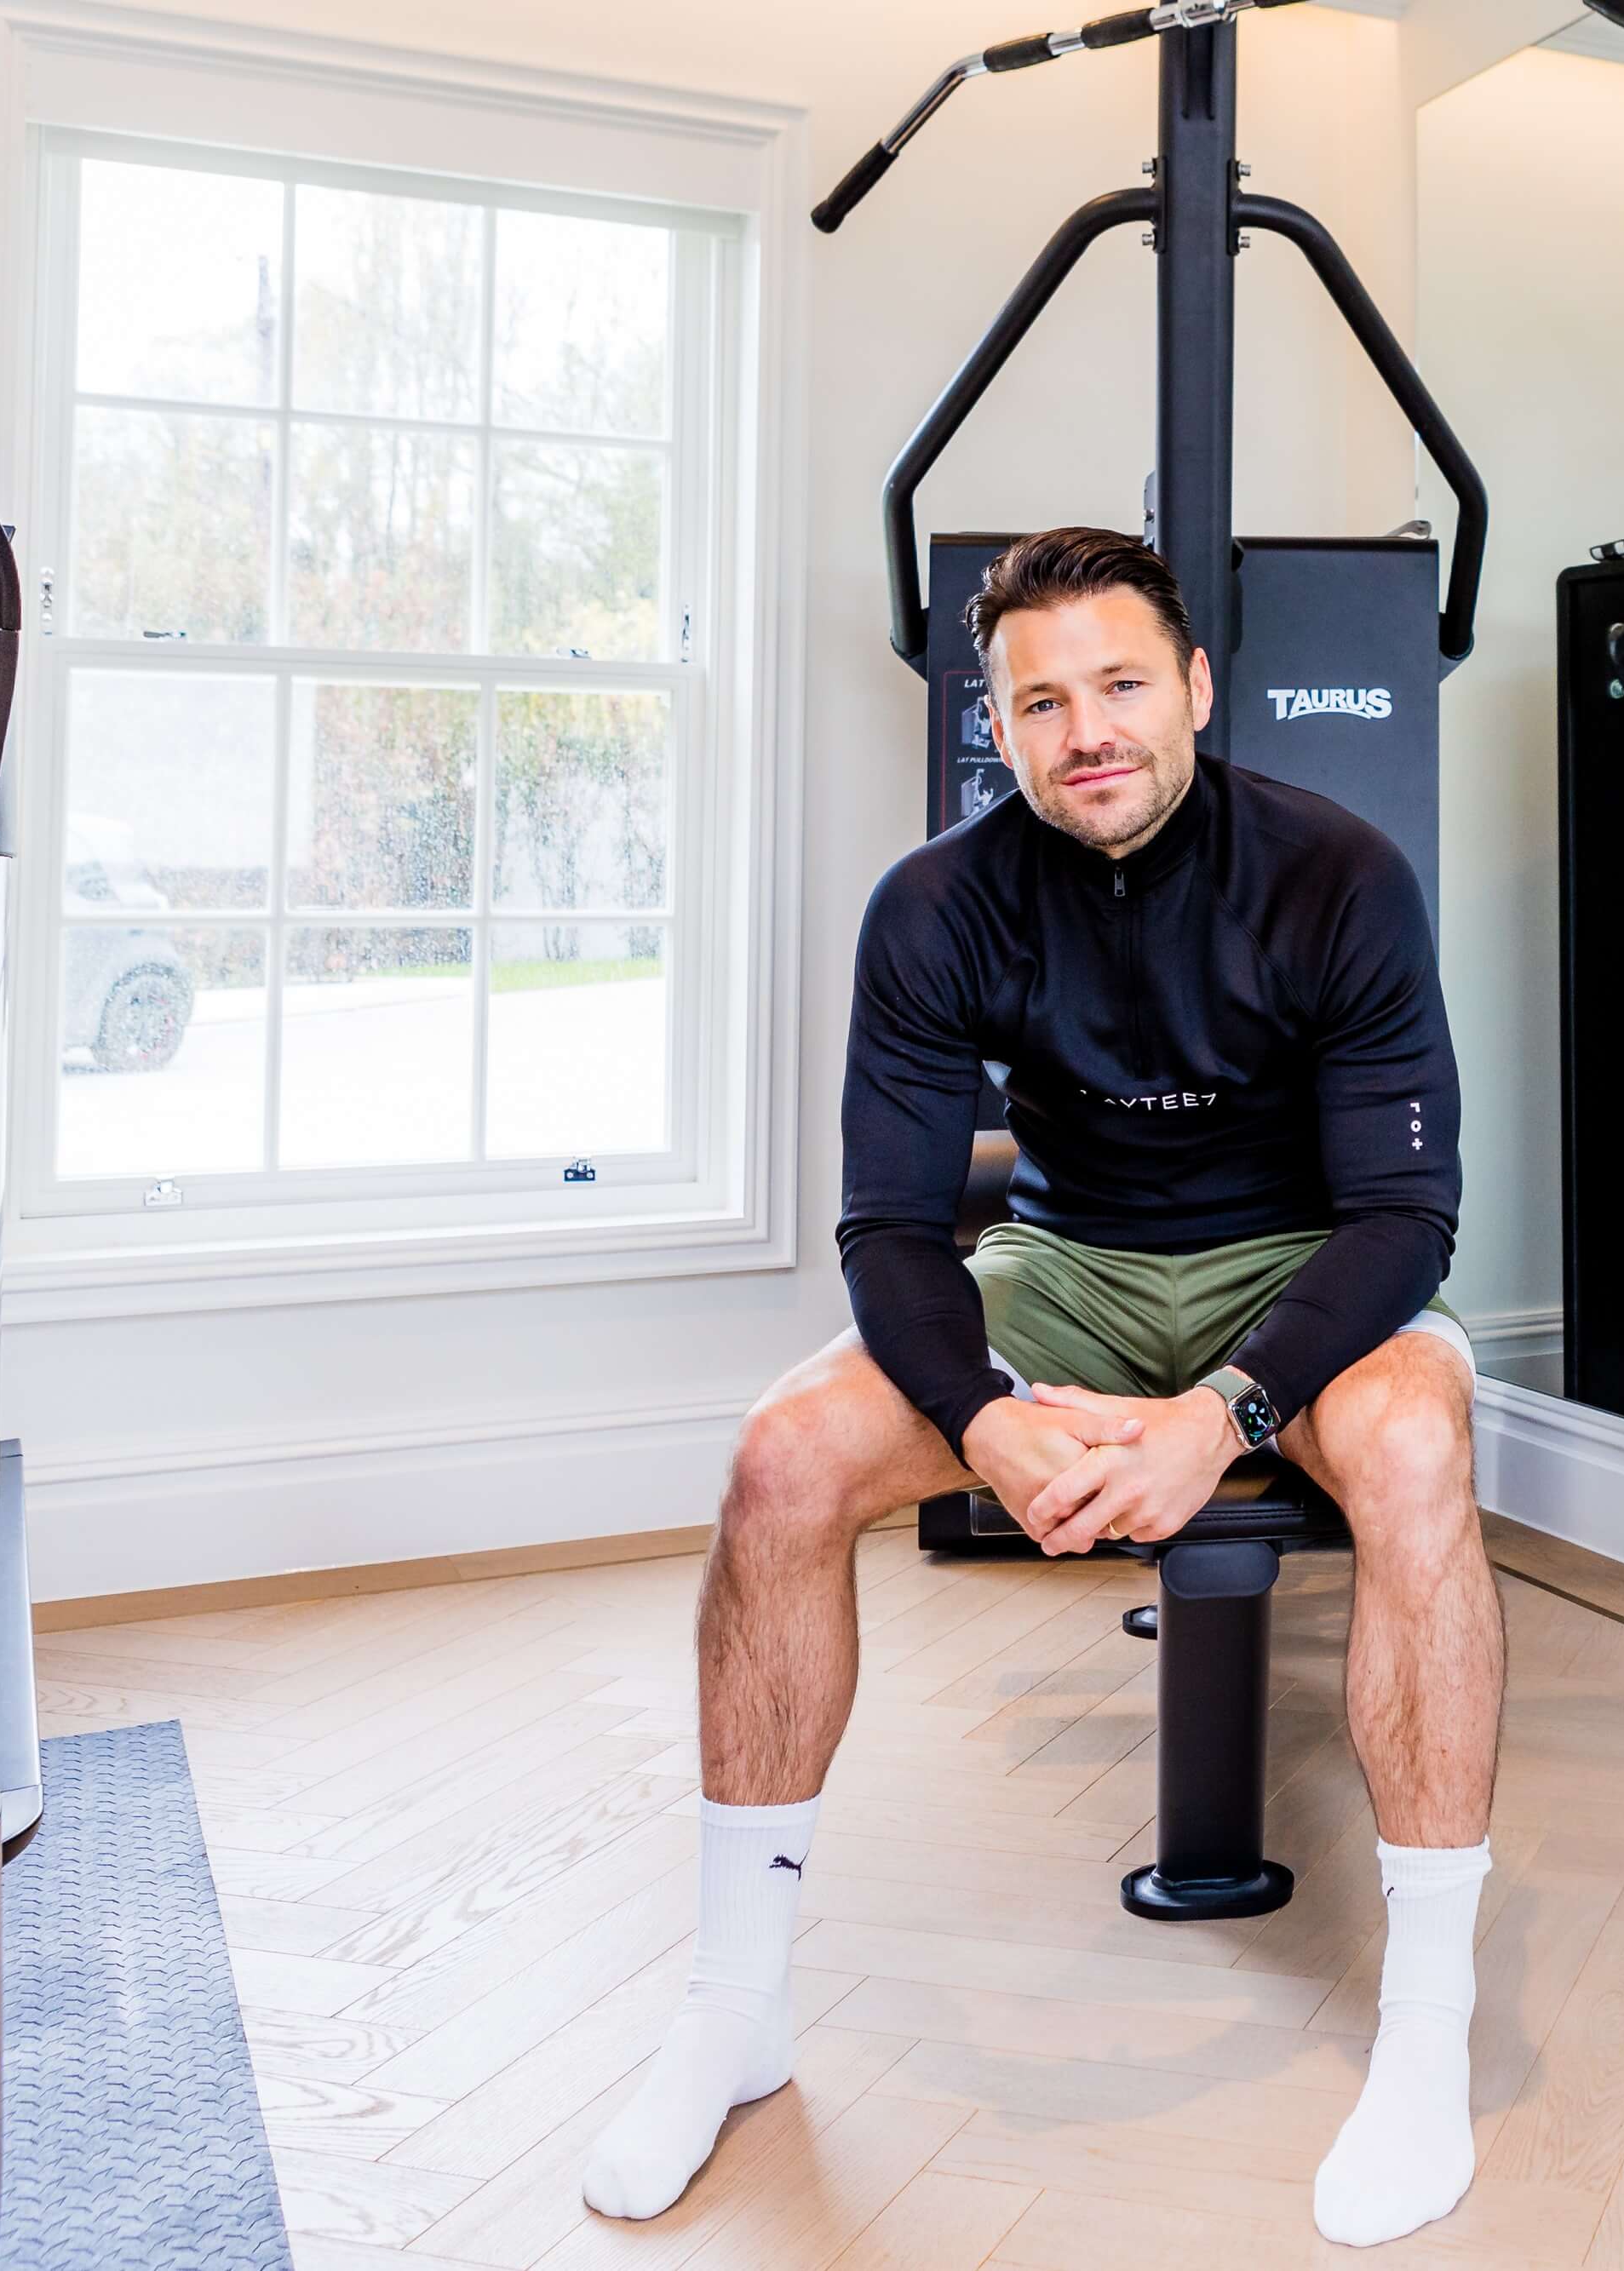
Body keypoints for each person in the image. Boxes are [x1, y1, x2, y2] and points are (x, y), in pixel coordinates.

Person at [580, 528, 1505, 2249]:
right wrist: (989, 1415)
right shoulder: (934, 905)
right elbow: (890, 1222)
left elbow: (1404, 1213)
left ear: (1198, 689)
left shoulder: (1338, 873)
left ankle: (1425, 2021)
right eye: (1040, 700)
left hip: (1294, 1265)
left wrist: (1220, 1414)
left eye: (1122, 685)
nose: (1087, 728)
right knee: (784, 1456)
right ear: (995, 726)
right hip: (1064, 1267)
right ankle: (733, 2003)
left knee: (1410, 1434)